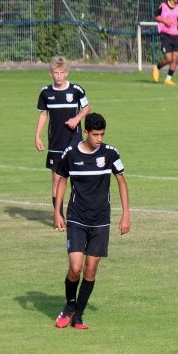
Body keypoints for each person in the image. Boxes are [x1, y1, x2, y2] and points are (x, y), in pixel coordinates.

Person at [52, 112, 130, 330]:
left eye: (102, 134)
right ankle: (69, 305)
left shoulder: (110, 153)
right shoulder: (71, 153)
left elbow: (122, 182)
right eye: (95, 135)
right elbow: (61, 181)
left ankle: (78, 315)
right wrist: (57, 212)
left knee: (91, 269)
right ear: (85, 132)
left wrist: (126, 213)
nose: (99, 139)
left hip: (101, 220)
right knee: (75, 267)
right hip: (77, 217)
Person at [35, 55, 91, 219]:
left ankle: (78, 215)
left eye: (62, 72)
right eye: (56, 73)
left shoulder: (76, 90)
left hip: (74, 142)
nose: (59, 76)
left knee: (77, 178)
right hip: (55, 143)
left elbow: (87, 108)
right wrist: (37, 136)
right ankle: (58, 216)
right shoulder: (45, 92)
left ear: (66, 73)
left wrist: (76, 119)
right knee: (56, 179)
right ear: (50, 73)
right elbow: (43, 115)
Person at [152, 0, 178, 86]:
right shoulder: (163, 5)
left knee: (176, 58)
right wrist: (164, 20)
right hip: (165, 34)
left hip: (175, 35)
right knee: (169, 58)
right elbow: (155, 16)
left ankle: (168, 79)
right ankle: (157, 67)